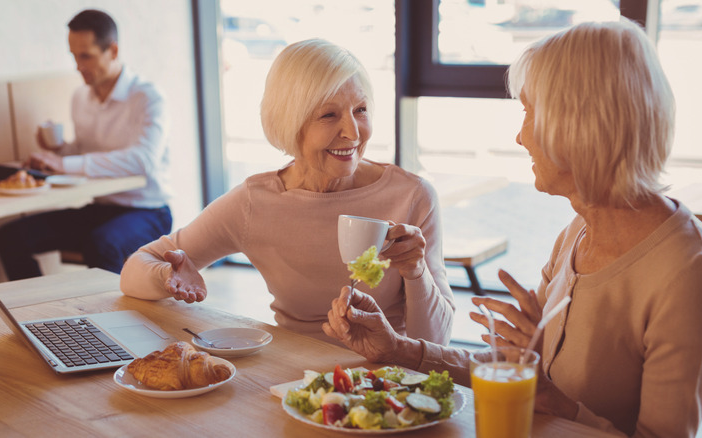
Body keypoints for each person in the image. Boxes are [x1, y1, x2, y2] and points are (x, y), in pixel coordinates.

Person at [322, 19, 702, 437]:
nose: (520, 137)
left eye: (528, 112)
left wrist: (554, 402)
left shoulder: (686, 273)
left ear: (577, 124)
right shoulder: (579, 230)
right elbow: (511, 375)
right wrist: (397, 349)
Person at [120, 39, 455, 346]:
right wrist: (168, 275)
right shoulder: (255, 202)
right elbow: (134, 271)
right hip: (294, 382)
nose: (352, 132)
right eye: (329, 114)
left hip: (386, 381)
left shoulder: (412, 196)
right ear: (291, 122)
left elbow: (437, 343)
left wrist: (416, 272)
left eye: (361, 110)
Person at [0, 9, 173, 280]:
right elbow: (84, 154)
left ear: (112, 51)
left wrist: (64, 163)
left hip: (147, 211)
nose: (78, 65)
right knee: (11, 237)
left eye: (85, 56)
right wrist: (57, 152)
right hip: (100, 208)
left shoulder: (148, 98)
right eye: (74, 56)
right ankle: (41, 313)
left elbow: (143, 161)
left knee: (102, 244)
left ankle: (107, 320)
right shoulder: (80, 97)